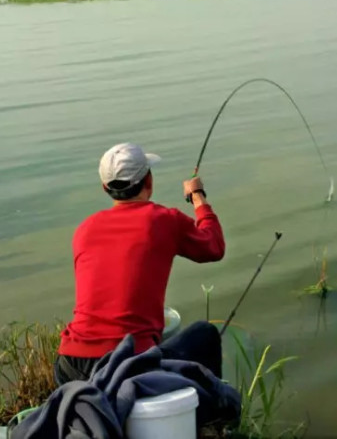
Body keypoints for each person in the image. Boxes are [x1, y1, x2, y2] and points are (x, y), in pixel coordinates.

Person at [54, 143, 225, 386]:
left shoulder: (84, 229)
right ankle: (212, 418)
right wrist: (197, 196)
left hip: (70, 365)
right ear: (149, 181)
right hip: (129, 363)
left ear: (105, 188)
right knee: (205, 335)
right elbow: (214, 246)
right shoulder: (165, 220)